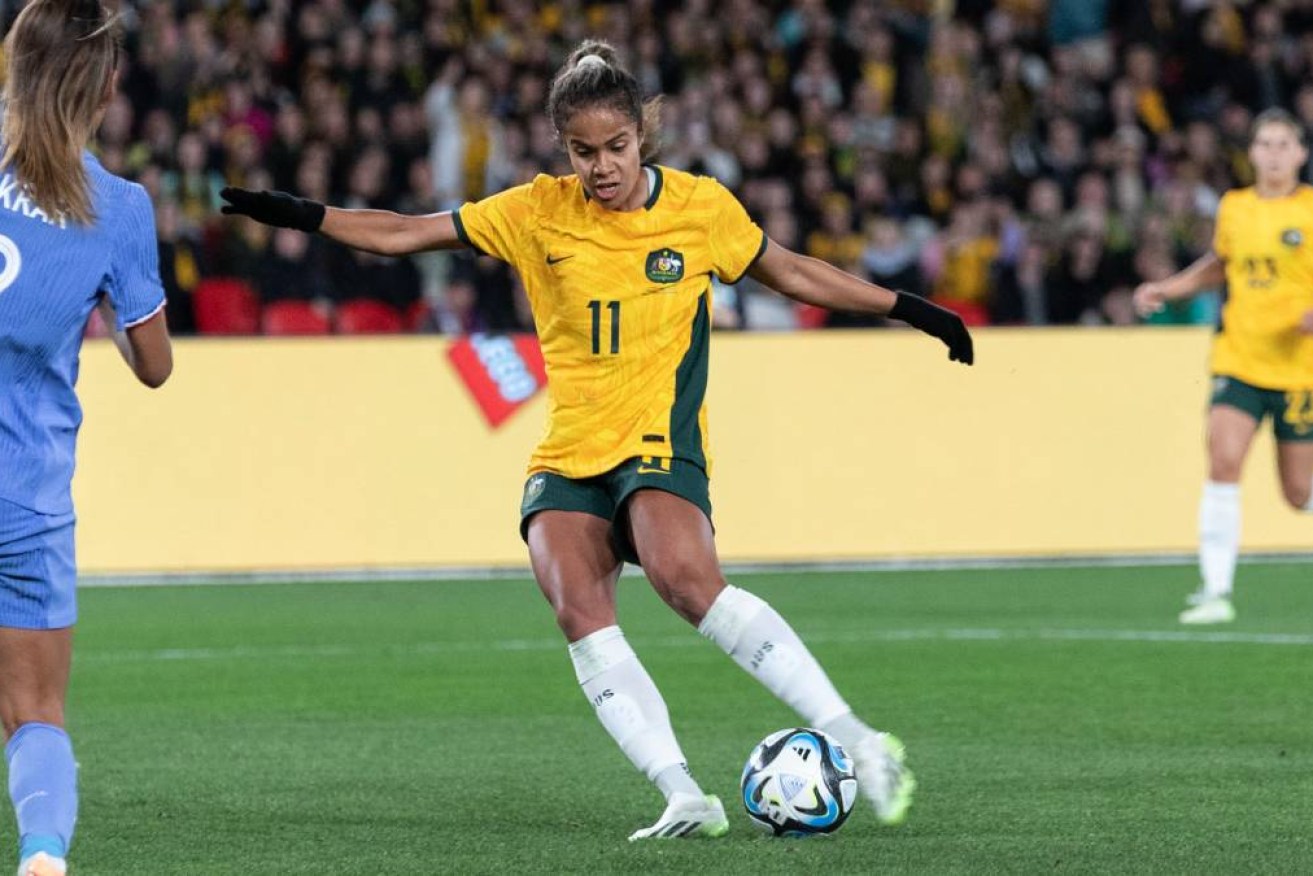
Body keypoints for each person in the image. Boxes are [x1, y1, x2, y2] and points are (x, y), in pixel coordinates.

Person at [221, 40, 972, 839]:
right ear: (563, 148)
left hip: (657, 441)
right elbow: (404, 232)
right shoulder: (535, 210)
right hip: (571, 449)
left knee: (685, 581)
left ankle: (855, 735)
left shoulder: (699, 209)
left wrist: (911, 309)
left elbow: (792, 272)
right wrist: (301, 213)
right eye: (584, 152)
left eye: (615, 147)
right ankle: (682, 791)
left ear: (642, 132)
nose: (602, 167)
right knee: (575, 606)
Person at [0, 2, 173, 874]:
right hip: (23, 498)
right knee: (34, 714)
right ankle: (41, 856)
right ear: (105, 84)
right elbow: (154, 364)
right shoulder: (117, 206)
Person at [1134, 108, 1313, 625]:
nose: (1275, 154)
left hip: (1298, 368)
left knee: (1299, 495)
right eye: (1266, 144)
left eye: (1285, 145)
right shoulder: (1235, 207)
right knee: (1223, 461)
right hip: (1239, 359)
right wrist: (1167, 288)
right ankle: (1215, 590)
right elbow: (1220, 264)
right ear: (1252, 152)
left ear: (1300, 154)